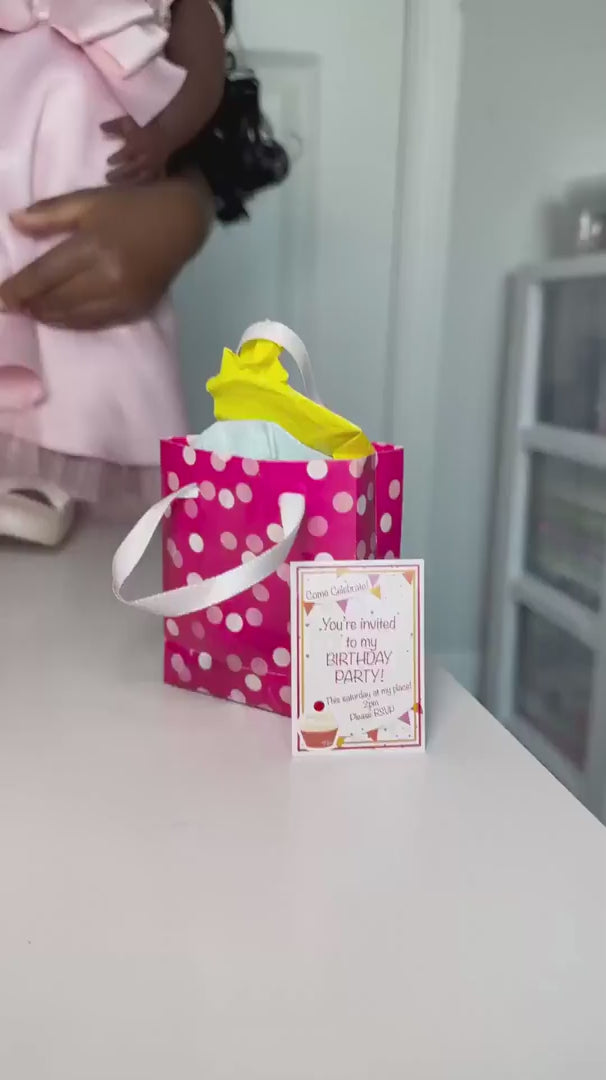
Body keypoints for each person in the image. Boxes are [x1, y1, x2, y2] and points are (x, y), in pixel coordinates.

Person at [0, 0, 288, 544]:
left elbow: (202, 72)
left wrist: (168, 156)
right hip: (14, 158)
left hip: (88, 168)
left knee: (80, 321)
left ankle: (53, 463)